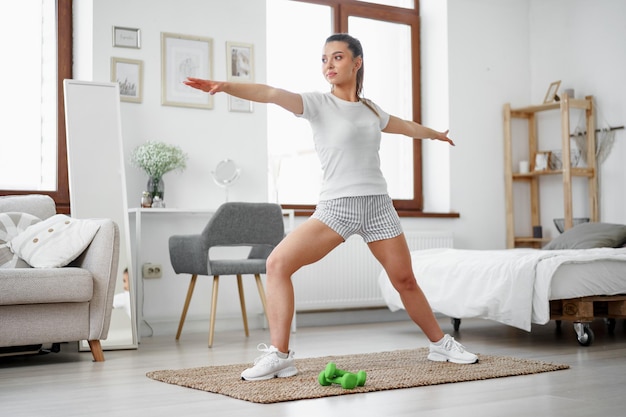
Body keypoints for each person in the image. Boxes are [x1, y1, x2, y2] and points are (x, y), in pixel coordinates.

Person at [184, 33, 478, 381]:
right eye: (324, 59)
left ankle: (440, 344)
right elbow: (271, 93)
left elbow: (405, 126)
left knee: (405, 279)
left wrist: (434, 134)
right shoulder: (317, 104)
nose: (329, 65)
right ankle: (280, 355)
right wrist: (227, 86)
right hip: (337, 208)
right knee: (278, 263)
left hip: (379, 207)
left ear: (357, 62)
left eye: (337, 57)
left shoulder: (371, 110)